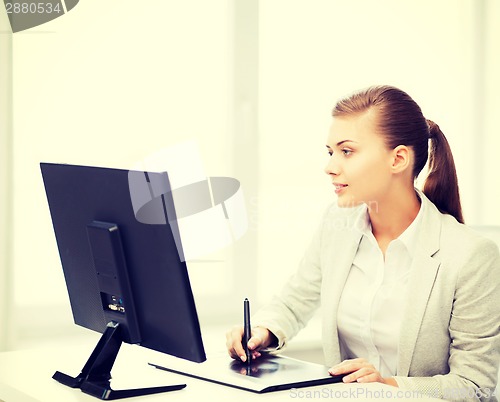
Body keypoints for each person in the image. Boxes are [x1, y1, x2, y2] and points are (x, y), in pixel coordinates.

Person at [226, 85, 500, 401]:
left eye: (347, 151)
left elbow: (476, 386)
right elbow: (296, 298)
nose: (330, 167)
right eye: (331, 152)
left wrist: (389, 386)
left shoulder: (472, 257)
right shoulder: (337, 224)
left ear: (398, 159)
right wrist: (263, 331)